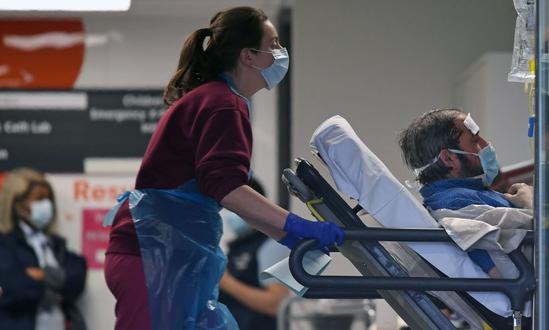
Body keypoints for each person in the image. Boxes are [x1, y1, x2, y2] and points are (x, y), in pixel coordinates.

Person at [103, 7, 344, 330]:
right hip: (153, 256)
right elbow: (226, 188)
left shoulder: (215, 99)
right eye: (273, 44)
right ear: (248, 55)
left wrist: (288, 237)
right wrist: (297, 226)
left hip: (167, 253)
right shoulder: (223, 104)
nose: (280, 53)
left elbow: (222, 187)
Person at [398, 108, 532, 329]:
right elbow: (503, 273)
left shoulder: (466, 194)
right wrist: (529, 201)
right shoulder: (454, 203)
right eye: (475, 140)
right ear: (449, 158)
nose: (486, 144)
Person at [0, 168, 87, 330]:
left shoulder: (53, 243)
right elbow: (14, 288)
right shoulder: (5, 244)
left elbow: (77, 277)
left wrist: (42, 274)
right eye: (39, 199)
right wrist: (55, 290)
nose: (46, 205)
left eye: (48, 199)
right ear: (18, 204)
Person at [219, 178, 289, 330]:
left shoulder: (272, 246)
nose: (231, 215)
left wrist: (226, 282)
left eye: (236, 209)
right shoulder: (238, 245)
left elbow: (276, 304)